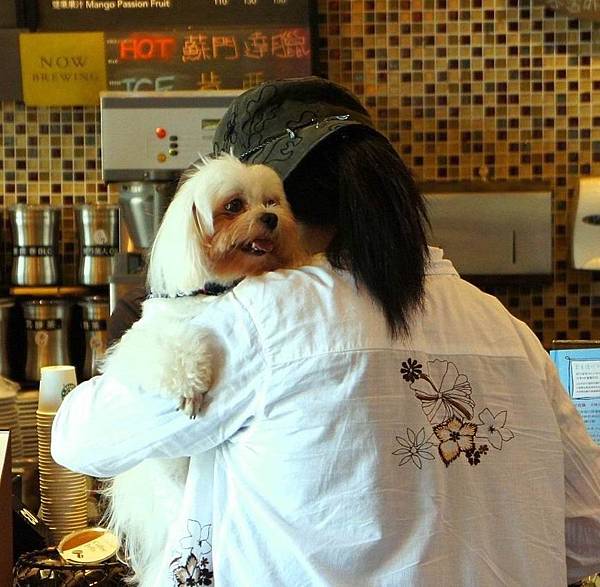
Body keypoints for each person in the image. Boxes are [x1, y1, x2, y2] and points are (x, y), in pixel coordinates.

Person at [52, 77, 600, 586]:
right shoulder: (508, 331)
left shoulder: (263, 318)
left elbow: (81, 439)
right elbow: (586, 535)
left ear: (283, 202)